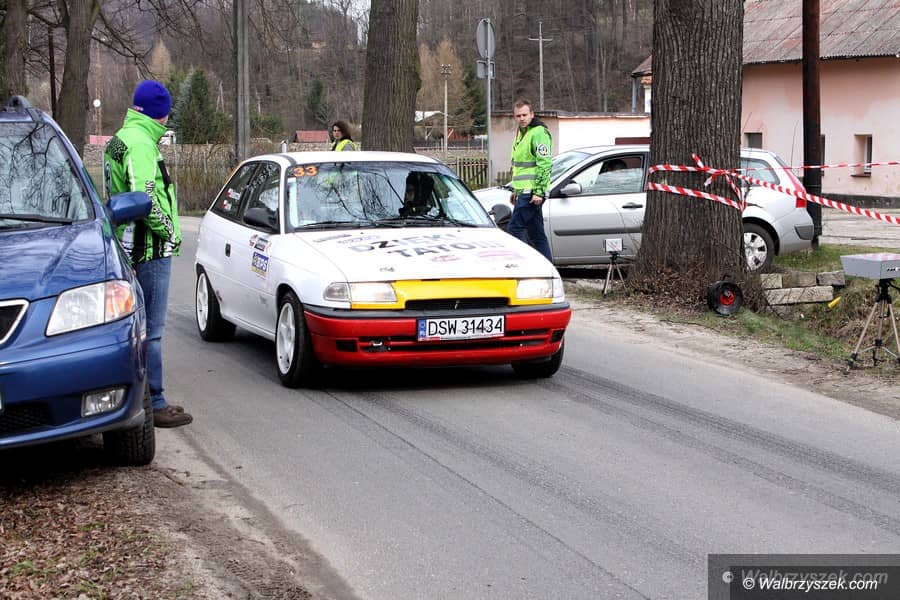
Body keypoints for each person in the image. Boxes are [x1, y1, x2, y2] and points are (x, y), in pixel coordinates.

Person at [103, 80, 192, 429]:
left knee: (131, 327)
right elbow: (146, 199)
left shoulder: (120, 139)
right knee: (151, 331)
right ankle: (155, 401)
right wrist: (170, 232)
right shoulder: (141, 143)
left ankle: (126, 397)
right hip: (148, 249)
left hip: (125, 245)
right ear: (161, 114)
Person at [507, 99, 553, 262]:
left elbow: (544, 164)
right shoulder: (521, 132)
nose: (521, 118)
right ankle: (547, 269)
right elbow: (520, 166)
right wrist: (516, 190)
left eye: (524, 115)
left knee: (514, 229)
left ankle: (526, 264)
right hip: (524, 191)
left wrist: (539, 192)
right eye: (518, 116)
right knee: (536, 234)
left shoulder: (539, 132)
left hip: (532, 192)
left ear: (532, 114)